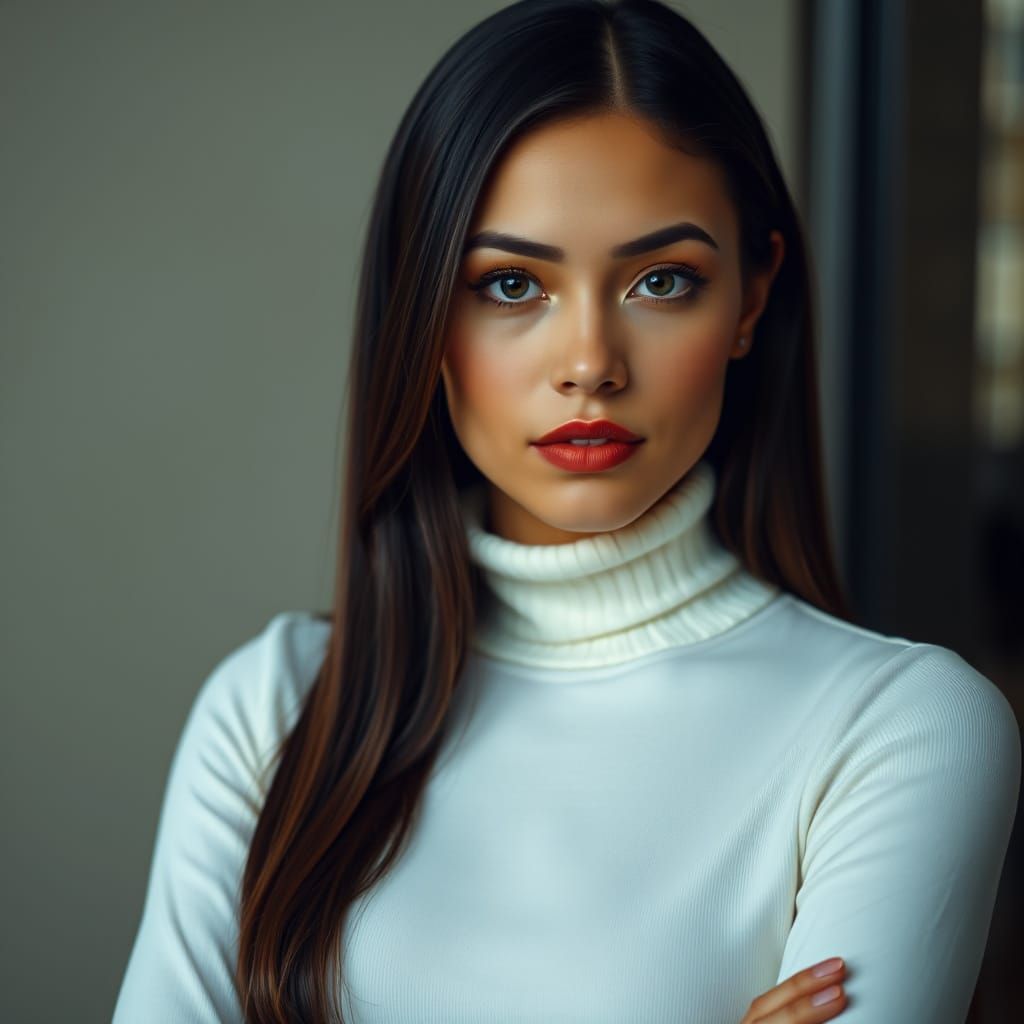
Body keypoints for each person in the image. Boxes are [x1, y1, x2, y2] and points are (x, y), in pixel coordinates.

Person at [111, 1, 1021, 1021]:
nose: (589, 361)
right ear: (422, 318)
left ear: (751, 300)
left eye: (661, 280)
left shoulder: (899, 730)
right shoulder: (274, 709)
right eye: (509, 285)